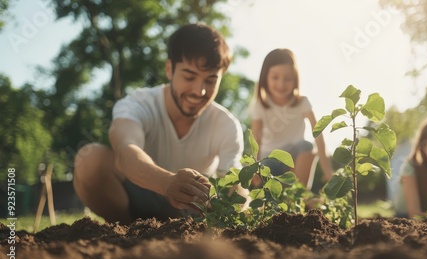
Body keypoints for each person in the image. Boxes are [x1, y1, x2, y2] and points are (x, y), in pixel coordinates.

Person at [73, 23, 245, 224]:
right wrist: (168, 183)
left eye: (210, 80)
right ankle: (126, 231)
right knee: (90, 159)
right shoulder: (139, 104)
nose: (200, 91)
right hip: (137, 199)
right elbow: (126, 151)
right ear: (170, 69)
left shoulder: (226, 124)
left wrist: (234, 204)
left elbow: (234, 184)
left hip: (192, 212)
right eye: (189, 77)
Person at [248, 48, 333, 188]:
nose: (281, 84)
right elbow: (255, 141)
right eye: (275, 77)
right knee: (265, 194)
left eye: (287, 78)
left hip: (295, 159)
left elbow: (318, 134)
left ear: (295, 79)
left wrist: (327, 170)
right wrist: (255, 170)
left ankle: (300, 195)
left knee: (307, 146)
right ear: (265, 78)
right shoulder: (261, 105)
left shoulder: (302, 103)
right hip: (269, 160)